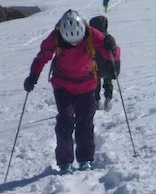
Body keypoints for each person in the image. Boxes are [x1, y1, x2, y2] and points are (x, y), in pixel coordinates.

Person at [24, 9, 119, 175]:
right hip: (62, 85)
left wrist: (111, 46)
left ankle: (85, 159)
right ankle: (65, 162)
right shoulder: (55, 36)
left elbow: (111, 53)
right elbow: (42, 57)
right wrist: (33, 76)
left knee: (85, 122)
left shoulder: (90, 33)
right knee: (65, 121)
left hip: (87, 84)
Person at [89, 15, 121, 111]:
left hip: (95, 68)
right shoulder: (109, 39)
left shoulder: (90, 39)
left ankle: (96, 101)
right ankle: (108, 98)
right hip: (107, 67)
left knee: (96, 84)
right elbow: (115, 56)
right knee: (108, 82)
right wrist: (116, 70)